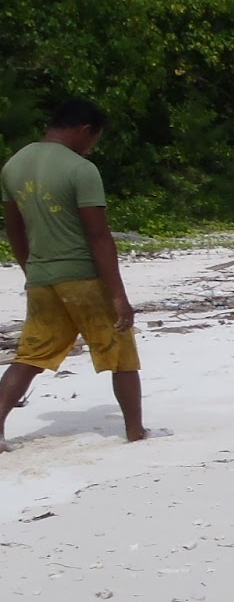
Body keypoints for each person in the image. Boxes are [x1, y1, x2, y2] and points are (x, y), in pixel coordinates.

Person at [0, 100, 144, 450]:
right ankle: (136, 431)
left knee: (30, 355)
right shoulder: (81, 169)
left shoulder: (13, 166)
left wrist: (31, 268)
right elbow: (98, 235)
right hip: (84, 278)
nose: (92, 146)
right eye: (94, 139)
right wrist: (118, 295)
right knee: (120, 355)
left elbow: (14, 230)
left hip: (41, 277)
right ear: (85, 130)